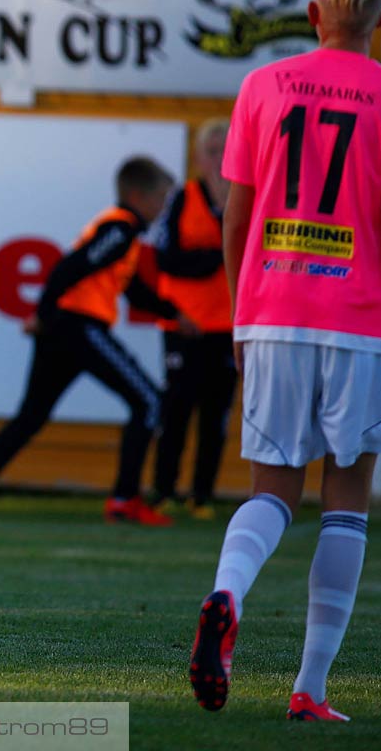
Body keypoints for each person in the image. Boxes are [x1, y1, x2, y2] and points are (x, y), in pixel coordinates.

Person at [188, 0, 381, 722]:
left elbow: (236, 213)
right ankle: (310, 688)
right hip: (360, 325)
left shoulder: (263, 86)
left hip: (275, 312)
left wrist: (239, 307)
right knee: (347, 499)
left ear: (311, 15)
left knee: (272, 489)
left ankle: (226, 594)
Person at [0, 157, 196, 526]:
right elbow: (70, 267)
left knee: (31, 415)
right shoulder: (120, 229)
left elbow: (133, 291)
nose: (162, 210)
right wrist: (43, 314)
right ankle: (125, 499)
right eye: (160, 199)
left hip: (65, 328)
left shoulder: (122, 233)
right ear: (137, 195)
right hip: (78, 327)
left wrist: (172, 313)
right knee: (148, 401)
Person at [148, 119, 237, 518]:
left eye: (226, 149)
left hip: (230, 325)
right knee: (176, 411)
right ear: (198, 158)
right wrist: (214, 255)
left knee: (216, 415)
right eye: (212, 151)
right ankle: (162, 490)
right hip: (185, 324)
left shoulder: (246, 198)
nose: (219, 159)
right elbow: (166, 257)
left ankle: (202, 494)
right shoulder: (182, 199)